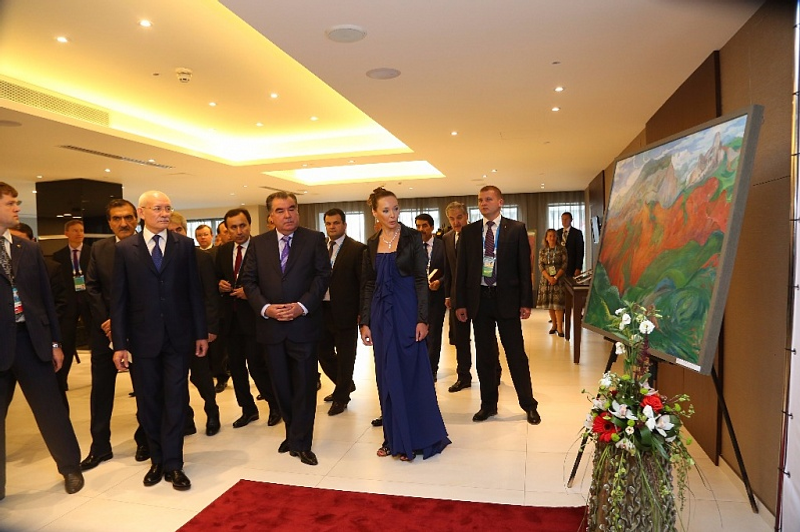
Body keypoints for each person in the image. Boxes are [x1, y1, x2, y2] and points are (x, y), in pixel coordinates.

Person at [111, 190, 208, 491]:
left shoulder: (184, 245)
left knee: (176, 400)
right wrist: (119, 343)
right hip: (142, 339)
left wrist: (200, 333)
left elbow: (194, 292)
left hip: (178, 338)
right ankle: (157, 460)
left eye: (168, 208)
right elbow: (119, 300)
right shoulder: (125, 249)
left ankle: (174, 464)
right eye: (158, 208)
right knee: (148, 402)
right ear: (142, 213)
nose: (165, 213)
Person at [0, 182, 84, 499]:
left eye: (17, 202)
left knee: (51, 411)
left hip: (31, 341)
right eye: (10, 203)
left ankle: (70, 468)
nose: (17, 208)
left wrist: (55, 343)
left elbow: (47, 300)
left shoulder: (28, 249)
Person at [239, 191, 330, 467]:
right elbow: (248, 281)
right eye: (280, 210)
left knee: (304, 386)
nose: (288, 215)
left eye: (292, 208)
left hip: (303, 325)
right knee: (281, 387)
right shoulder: (258, 243)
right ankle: (292, 432)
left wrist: (302, 306)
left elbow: (322, 276)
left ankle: (302, 442)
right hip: (271, 328)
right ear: (271, 216)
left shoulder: (314, 239)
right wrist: (266, 308)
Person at [360, 187, 450, 461]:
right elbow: (368, 284)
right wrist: (365, 321)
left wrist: (422, 318)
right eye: (386, 210)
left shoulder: (412, 238)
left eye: (396, 208)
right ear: (375, 212)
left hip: (407, 312)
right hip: (381, 315)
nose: (392, 215)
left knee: (411, 373)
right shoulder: (371, 243)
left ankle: (418, 438)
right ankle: (393, 438)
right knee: (386, 375)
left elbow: (421, 280)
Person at [455, 185, 541, 425]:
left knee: (516, 355)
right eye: (480, 200)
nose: (484, 203)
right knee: (485, 357)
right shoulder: (470, 232)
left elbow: (524, 268)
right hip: (479, 301)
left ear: (500, 202)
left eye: (488, 199)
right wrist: (460, 302)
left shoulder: (516, 229)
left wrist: (526, 301)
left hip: (507, 301)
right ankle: (488, 405)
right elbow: (462, 270)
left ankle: (529, 405)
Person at [80, 199, 150, 471]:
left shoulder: (148, 246)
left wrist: (125, 321)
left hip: (139, 331)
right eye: (117, 218)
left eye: (128, 217)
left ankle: (145, 439)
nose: (124, 223)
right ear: (109, 222)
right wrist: (108, 321)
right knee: (101, 391)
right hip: (104, 331)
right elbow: (92, 287)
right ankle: (100, 446)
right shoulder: (99, 249)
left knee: (144, 389)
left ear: (137, 218)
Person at [216, 208, 281, 428]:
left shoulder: (262, 248)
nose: (238, 231)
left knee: (257, 365)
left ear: (250, 225)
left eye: (242, 225)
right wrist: (219, 284)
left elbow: (272, 281)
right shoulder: (223, 251)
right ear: (227, 229)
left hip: (255, 318)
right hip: (231, 320)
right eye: (233, 227)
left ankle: (275, 406)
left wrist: (251, 292)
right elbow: (216, 277)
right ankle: (248, 409)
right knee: (236, 368)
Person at [169, 212, 222, 436]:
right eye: (170, 231)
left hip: (196, 330)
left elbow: (211, 295)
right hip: (171, 331)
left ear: (185, 230)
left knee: (201, 377)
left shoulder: (200, 257)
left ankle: (212, 411)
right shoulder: (160, 259)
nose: (175, 234)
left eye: (178, 230)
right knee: (176, 379)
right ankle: (186, 419)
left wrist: (210, 328)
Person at [318, 208, 366, 416]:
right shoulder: (319, 248)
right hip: (322, 310)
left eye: (336, 223)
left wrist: (362, 312)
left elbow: (363, 283)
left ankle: (341, 397)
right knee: (322, 353)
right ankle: (344, 384)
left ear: (344, 225)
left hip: (347, 311)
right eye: (328, 223)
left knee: (346, 356)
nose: (332, 227)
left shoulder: (357, 249)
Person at [51, 219, 92, 395]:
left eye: (81, 230)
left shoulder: (92, 252)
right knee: (66, 341)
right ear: (66, 233)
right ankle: (61, 380)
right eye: (75, 230)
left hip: (89, 301)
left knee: (95, 340)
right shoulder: (58, 256)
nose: (79, 233)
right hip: (68, 303)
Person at [414, 213, 446, 382]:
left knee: (434, 334)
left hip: (436, 297)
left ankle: (431, 369)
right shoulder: (412, 247)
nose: (421, 229)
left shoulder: (442, 245)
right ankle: (418, 367)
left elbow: (450, 270)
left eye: (424, 226)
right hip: (416, 298)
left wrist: (440, 282)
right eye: (418, 226)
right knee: (417, 333)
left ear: (432, 227)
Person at [536, 229, 568, 337]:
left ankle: (560, 328)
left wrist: (556, 277)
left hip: (559, 280)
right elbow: (540, 265)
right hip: (546, 280)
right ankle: (554, 325)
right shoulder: (543, 251)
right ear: (546, 238)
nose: (552, 238)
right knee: (550, 304)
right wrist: (549, 278)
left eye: (554, 236)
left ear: (556, 237)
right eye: (550, 236)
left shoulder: (562, 249)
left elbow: (564, 264)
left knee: (558, 304)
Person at [556, 212, 584, 278]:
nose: (564, 221)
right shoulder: (557, 232)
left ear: (571, 220)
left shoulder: (577, 233)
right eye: (563, 219)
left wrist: (578, 268)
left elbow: (580, 251)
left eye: (566, 219)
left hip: (571, 266)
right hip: (558, 266)